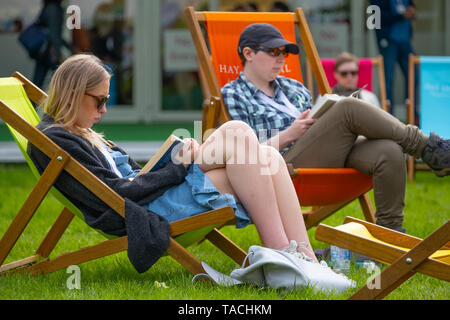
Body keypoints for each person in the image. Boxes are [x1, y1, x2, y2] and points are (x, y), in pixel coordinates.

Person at [27, 53, 332, 271]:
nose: (104, 110)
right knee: (239, 133)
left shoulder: (81, 133)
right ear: (74, 94)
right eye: (101, 100)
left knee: (267, 156)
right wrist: (178, 166)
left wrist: (173, 158)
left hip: (152, 197)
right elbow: (119, 195)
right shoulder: (57, 140)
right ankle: (280, 256)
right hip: (141, 211)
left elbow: (133, 176)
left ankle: (304, 258)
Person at [222, 23, 450, 232]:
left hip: (321, 152)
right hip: (281, 165)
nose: (281, 59)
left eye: (284, 52)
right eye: (273, 52)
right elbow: (245, 154)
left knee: (389, 150)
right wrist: (291, 132)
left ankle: (389, 234)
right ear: (248, 53)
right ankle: (427, 147)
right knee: (348, 106)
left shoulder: (294, 88)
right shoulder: (234, 94)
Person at [370, 0, 418, 122]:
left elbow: (410, 6)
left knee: (413, 76)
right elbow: (376, 18)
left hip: (405, 41)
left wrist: (412, 10)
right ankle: (388, 117)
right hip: (389, 41)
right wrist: (401, 15)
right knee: (388, 80)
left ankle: (412, 114)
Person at [32, 0, 69, 88]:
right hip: (50, 52)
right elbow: (54, 34)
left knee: (38, 82)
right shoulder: (54, 9)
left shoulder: (47, 7)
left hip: (43, 51)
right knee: (60, 81)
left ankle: (32, 101)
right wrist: (59, 55)